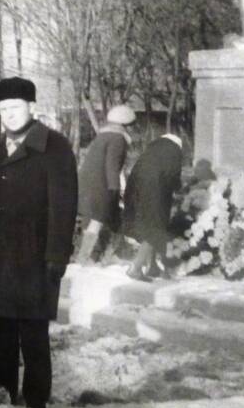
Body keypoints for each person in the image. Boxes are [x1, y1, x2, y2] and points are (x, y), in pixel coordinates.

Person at [0, 76, 78, 408]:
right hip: (0, 256)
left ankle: (35, 403)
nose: (9, 115)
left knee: (33, 333)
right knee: (1, 332)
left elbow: (64, 206)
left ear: (32, 107)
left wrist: (57, 256)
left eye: (15, 107)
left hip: (35, 254)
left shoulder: (55, 146)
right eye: (3, 109)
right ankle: (3, 396)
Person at [74, 104, 136, 264]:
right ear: (126, 125)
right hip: (101, 186)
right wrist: (116, 189)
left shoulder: (102, 136)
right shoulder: (118, 139)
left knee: (98, 219)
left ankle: (97, 255)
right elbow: (112, 166)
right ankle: (85, 257)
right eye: (131, 126)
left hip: (87, 184)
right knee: (98, 220)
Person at [122, 133, 184, 282]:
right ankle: (136, 268)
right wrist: (180, 189)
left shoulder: (149, 152)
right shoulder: (173, 151)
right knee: (155, 229)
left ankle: (152, 266)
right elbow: (173, 178)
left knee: (148, 228)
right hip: (157, 195)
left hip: (135, 195)